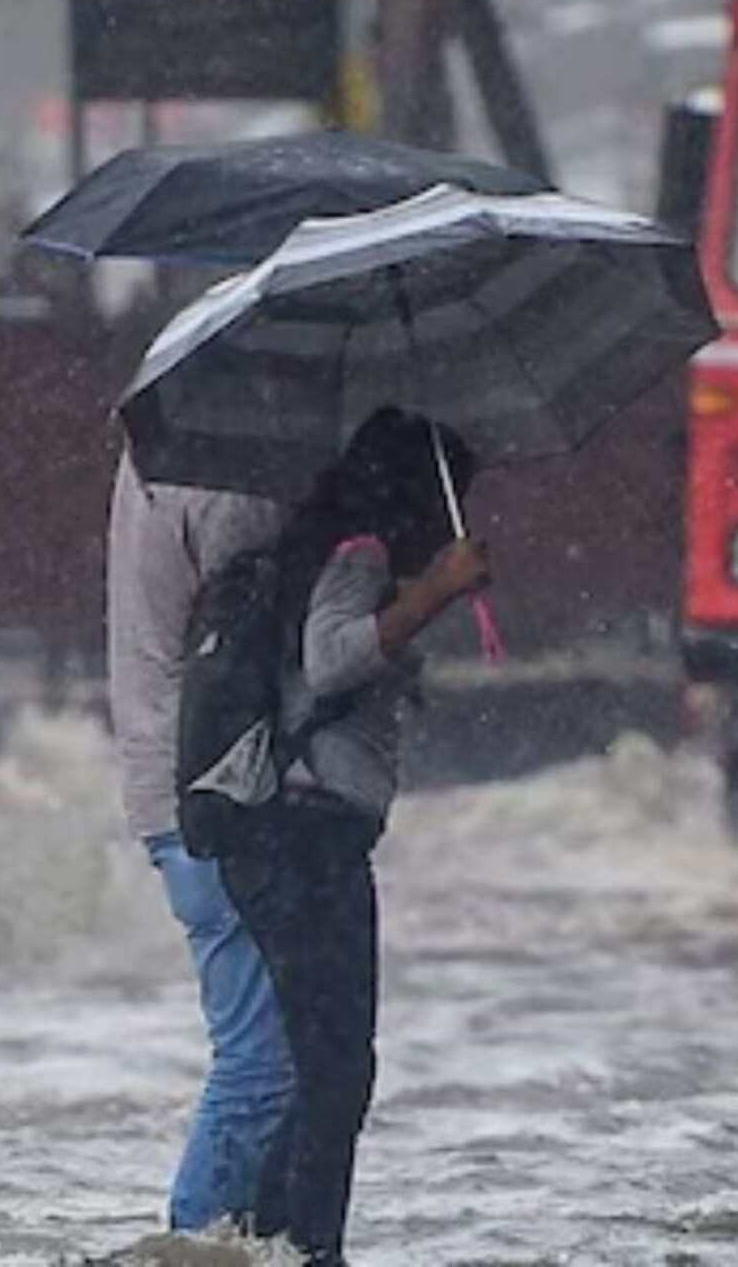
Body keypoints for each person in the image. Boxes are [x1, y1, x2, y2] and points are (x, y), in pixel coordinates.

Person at [219, 407, 491, 1267]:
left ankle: (263, 1243)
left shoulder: (337, 549)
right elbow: (334, 658)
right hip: (309, 839)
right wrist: (437, 590)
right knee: (338, 1070)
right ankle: (306, 1250)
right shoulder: (359, 552)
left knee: (325, 1064)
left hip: (299, 839)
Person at [106, 446, 294, 1231]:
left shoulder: (154, 457)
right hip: (206, 795)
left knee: (265, 1062)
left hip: (172, 786)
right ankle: (190, 1245)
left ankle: (234, 1241)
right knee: (261, 1068)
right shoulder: (221, 485)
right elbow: (262, 611)